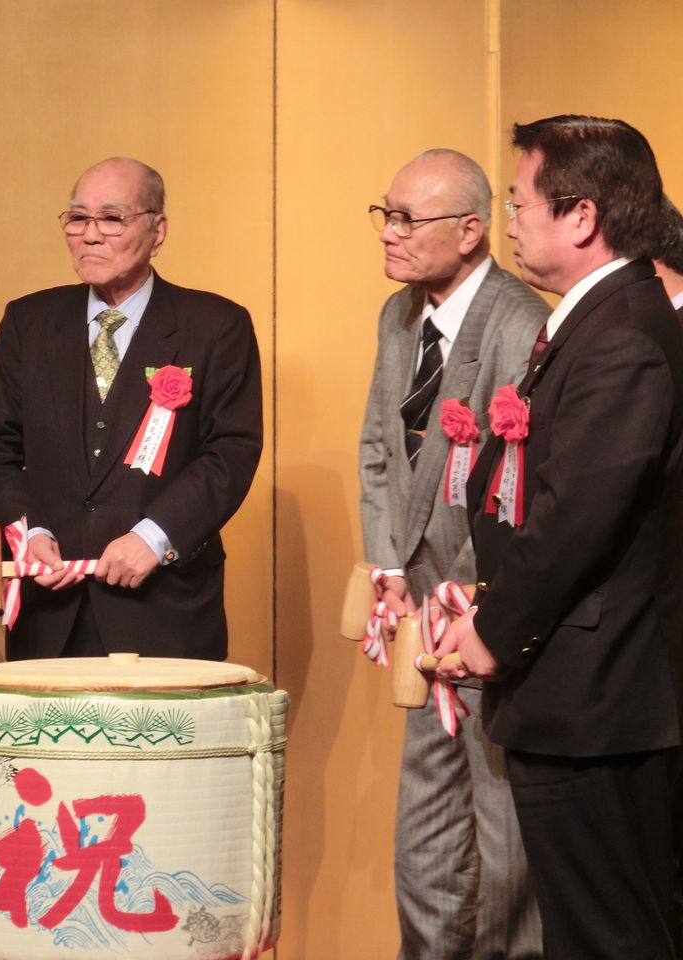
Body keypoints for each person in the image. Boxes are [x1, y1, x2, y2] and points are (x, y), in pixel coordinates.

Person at [439, 114, 683, 958]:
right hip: (580, 689)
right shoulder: (599, 317)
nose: (509, 221)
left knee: (607, 934)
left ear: (580, 216)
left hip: (599, 698)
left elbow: (578, 518)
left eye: (518, 201)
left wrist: (492, 632)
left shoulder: (621, 336)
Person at [360, 149, 545, 960]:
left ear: (471, 231)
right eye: (386, 215)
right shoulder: (397, 316)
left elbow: (520, 481)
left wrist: (471, 600)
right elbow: (376, 449)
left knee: (503, 827)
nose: (390, 235)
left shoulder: (520, 322)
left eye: (409, 219)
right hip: (416, 610)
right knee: (424, 824)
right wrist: (388, 570)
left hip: (485, 611)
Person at [0, 157, 262, 661]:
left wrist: (154, 537)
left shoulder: (215, 326)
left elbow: (230, 453)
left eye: (112, 219)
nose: (90, 235)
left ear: (156, 228)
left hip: (165, 607)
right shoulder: (29, 322)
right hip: (49, 608)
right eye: (78, 219)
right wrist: (28, 529)